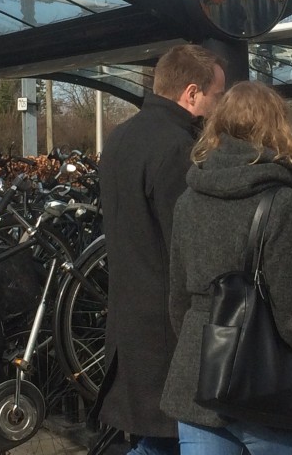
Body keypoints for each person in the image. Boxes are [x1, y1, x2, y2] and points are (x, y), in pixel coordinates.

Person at [160, 81, 292, 455]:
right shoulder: (285, 204)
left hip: (198, 382)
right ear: (275, 128)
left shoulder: (188, 199)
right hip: (270, 388)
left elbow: (178, 301)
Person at [97, 44, 227, 455]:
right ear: (191, 94)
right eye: (216, 97)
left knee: (157, 441)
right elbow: (188, 245)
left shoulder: (120, 137)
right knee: (170, 439)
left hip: (128, 320)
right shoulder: (176, 147)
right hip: (167, 330)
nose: (218, 108)